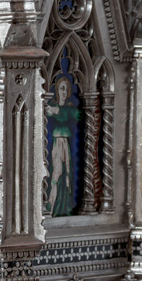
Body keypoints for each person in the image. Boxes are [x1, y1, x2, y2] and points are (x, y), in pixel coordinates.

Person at [46, 76, 81, 217]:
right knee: (57, 173)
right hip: (58, 143)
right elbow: (51, 111)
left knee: (67, 175)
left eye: (65, 89)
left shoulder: (68, 109)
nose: (63, 92)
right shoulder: (54, 108)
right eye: (61, 89)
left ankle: (64, 206)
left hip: (65, 143)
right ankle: (51, 203)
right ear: (57, 90)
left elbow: (77, 115)